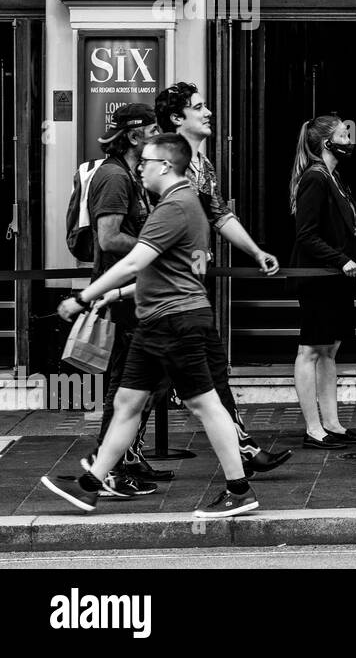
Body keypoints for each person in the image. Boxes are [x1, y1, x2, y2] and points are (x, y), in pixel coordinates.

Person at [42, 134, 259, 518]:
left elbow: (132, 261)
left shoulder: (174, 207)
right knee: (128, 403)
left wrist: (81, 298)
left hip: (176, 322)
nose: (139, 167)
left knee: (204, 404)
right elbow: (166, 268)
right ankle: (91, 485)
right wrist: (119, 295)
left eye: (146, 161)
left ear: (165, 165)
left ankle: (239, 490)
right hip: (159, 320)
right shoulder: (178, 205)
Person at [155, 82, 291, 476]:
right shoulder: (160, 160)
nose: (209, 113)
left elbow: (219, 215)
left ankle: (243, 450)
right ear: (178, 118)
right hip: (164, 286)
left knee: (200, 372)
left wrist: (255, 250)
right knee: (143, 385)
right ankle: (109, 466)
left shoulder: (203, 165)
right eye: (199, 108)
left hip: (190, 285)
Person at [85, 104, 164, 497]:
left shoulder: (129, 176)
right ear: (134, 137)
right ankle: (107, 471)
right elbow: (109, 238)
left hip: (138, 295)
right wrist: (157, 249)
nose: (159, 137)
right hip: (121, 301)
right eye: (153, 131)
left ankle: (118, 461)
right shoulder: (114, 177)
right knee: (124, 386)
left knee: (140, 384)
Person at [289, 115, 356, 450]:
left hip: (335, 280)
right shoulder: (315, 178)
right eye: (342, 134)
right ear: (326, 142)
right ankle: (313, 428)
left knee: (330, 349)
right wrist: (342, 260)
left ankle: (331, 423)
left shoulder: (335, 178)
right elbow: (306, 235)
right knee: (310, 349)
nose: (349, 139)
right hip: (317, 279)